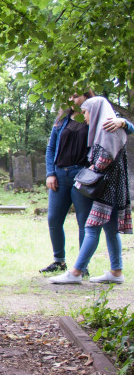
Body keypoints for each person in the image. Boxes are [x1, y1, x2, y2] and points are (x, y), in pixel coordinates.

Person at [40, 88, 133, 274]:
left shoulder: (95, 116)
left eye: (75, 95)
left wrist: (122, 121)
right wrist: (50, 173)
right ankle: (59, 261)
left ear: (86, 97)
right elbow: (51, 148)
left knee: (84, 222)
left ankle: (82, 267)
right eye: (69, 96)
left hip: (84, 175)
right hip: (60, 175)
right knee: (54, 219)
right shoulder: (61, 121)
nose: (71, 99)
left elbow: (128, 129)